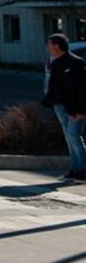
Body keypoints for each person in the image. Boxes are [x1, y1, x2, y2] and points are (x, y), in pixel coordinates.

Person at [41, 33, 86, 180]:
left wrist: (81, 110)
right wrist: (49, 100)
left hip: (74, 108)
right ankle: (75, 169)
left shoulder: (76, 62)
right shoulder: (55, 63)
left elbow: (82, 88)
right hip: (59, 105)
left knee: (74, 136)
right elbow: (53, 85)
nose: (48, 47)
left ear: (57, 45)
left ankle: (83, 169)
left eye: (49, 44)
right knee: (68, 137)